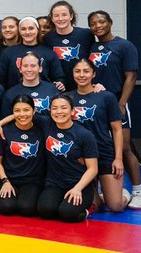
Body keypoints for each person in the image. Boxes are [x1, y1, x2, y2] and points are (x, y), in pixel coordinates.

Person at [87, 10, 141, 208]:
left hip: (116, 102)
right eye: (93, 23)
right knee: (100, 146)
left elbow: (131, 77)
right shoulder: (92, 46)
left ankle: (138, 191)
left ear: (110, 22)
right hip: (96, 103)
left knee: (125, 147)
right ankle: (111, 188)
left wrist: (121, 103)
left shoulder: (124, 45)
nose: (98, 26)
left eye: (102, 21)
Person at [69, 58, 126, 213]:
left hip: (104, 153)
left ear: (93, 74)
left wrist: (118, 158)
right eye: (77, 71)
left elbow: (117, 129)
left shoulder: (106, 97)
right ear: (73, 74)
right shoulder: (67, 98)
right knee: (94, 204)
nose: (82, 75)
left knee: (115, 206)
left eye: (86, 71)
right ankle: (99, 195)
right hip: (82, 159)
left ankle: (123, 194)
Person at [37, 95, 99, 223]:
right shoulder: (46, 124)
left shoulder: (84, 135)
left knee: (67, 214)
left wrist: (78, 188)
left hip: (79, 184)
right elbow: (22, 115)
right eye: (54, 108)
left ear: (72, 111)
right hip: (55, 183)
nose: (59, 111)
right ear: (50, 111)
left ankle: (90, 207)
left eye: (64, 108)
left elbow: (93, 169)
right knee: (45, 210)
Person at [0, 96, 46, 217]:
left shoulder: (42, 129)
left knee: (27, 209)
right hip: (8, 178)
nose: (22, 114)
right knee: (7, 208)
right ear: (12, 113)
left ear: (34, 111)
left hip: (32, 181)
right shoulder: (3, 132)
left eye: (26, 110)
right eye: (17, 110)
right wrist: (5, 181)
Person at [0, 16, 63, 89]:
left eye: (31, 28)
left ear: (38, 30)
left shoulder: (49, 53)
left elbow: (59, 77)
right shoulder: (8, 52)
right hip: (16, 97)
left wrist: (60, 84)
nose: (27, 32)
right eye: (23, 29)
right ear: (19, 31)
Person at [44, 1, 96, 87]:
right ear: (52, 19)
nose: (60, 19)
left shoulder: (86, 34)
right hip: (58, 87)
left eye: (64, 15)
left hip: (82, 86)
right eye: (56, 16)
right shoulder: (47, 38)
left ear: (71, 16)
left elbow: (92, 61)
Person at [3, 53, 60, 118]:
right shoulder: (10, 94)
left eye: (33, 66)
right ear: (20, 69)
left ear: (40, 68)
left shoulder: (52, 89)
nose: (29, 69)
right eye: (25, 66)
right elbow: (7, 121)